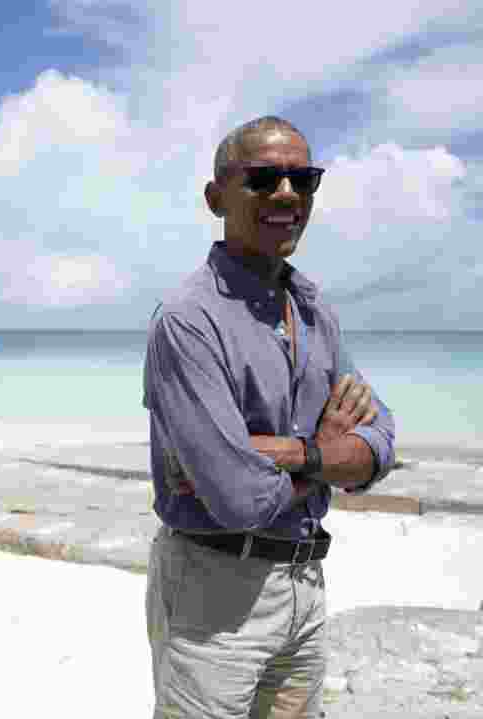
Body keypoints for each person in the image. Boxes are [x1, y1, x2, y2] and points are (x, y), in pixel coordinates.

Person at [142, 116, 396, 718]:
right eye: (263, 179)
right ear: (216, 198)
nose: (287, 194)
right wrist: (329, 456)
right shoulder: (189, 321)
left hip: (306, 587)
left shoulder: (312, 308)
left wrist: (296, 453)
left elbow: (381, 441)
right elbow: (238, 500)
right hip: (215, 593)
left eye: (302, 180)